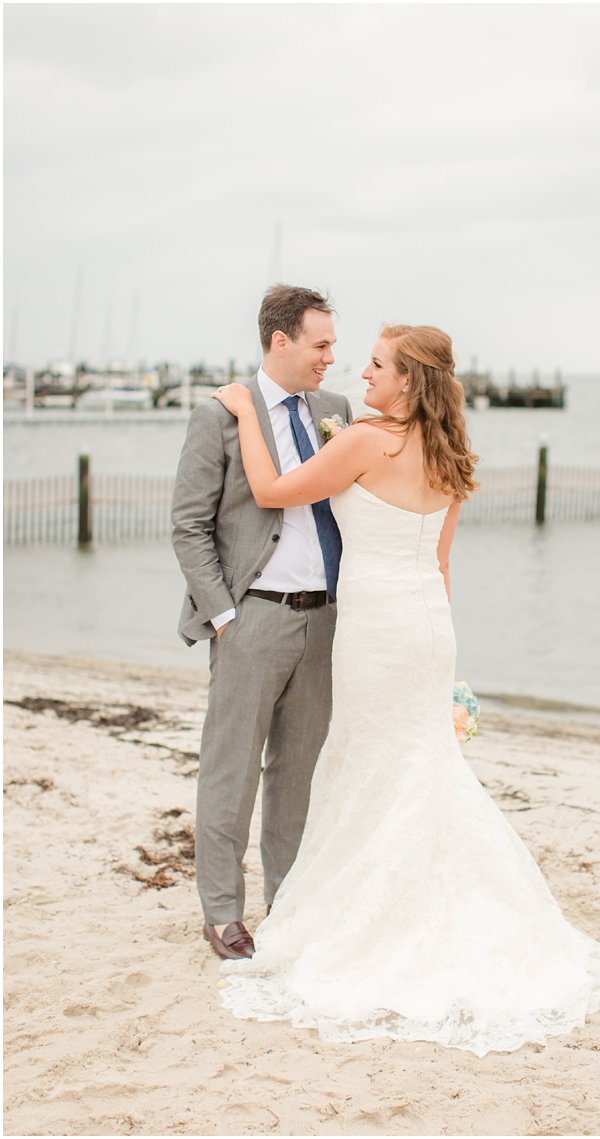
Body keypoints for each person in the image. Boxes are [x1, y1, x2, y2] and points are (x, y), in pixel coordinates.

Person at [208, 322, 600, 1055]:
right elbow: (443, 565)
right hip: (429, 628)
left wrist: (245, 411)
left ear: (408, 380)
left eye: (375, 365)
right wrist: (441, 658)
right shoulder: (449, 449)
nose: (362, 374)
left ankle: (375, 919)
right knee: (420, 768)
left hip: (376, 634)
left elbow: (272, 489)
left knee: (371, 765)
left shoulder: (367, 442)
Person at [171, 285, 350, 963]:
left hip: (324, 619)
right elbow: (189, 526)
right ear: (281, 341)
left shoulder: (335, 411)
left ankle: (289, 898)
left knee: (299, 771)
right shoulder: (217, 415)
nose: (332, 356)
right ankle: (221, 912)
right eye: (321, 343)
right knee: (231, 768)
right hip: (252, 620)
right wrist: (224, 615)